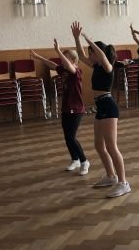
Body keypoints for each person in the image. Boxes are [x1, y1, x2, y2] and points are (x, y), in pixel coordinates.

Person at [71, 21, 131, 196]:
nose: (89, 56)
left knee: (112, 147)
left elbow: (102, 56)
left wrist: (88, 39)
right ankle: (111, 176)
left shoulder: (107, 66)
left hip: (109, 108)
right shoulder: (96, 66)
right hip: (101, 107)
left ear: (99, 54)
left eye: (92, 53)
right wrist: (77, 38)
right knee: (98, 145)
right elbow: (81, 56)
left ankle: (123, 183)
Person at [31, 40, 89, 175]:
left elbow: (69, 66)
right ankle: (75, 159)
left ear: (73, 61)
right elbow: (53, 65)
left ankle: (84, 161)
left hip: (76, 109)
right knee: (67, 136)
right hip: (66, 108)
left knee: (71, 137)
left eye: (65, 58)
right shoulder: (64, 70)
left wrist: (58, 51)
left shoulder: (76, 71)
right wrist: (38, 57)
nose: (62, 60)